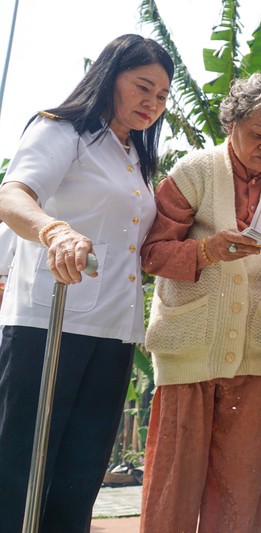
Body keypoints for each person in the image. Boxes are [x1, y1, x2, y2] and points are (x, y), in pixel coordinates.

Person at [0, 34, 173, 532]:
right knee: (20, 472)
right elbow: (13, 195)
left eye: (162, 97)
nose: (152, 103)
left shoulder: (134, 157)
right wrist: (53, 229)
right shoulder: (63, 131)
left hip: (114, 331)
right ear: (109, 76)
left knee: (79, 478)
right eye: (143, 86)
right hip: (48, 325)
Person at [138, 71, 261, 532]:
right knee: (174, 483)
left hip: (255, 351)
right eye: (258, 135)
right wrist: (208, 251)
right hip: (189, 347)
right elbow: (151, 254)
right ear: (231, 122)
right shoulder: (193, 171)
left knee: (240, 486)